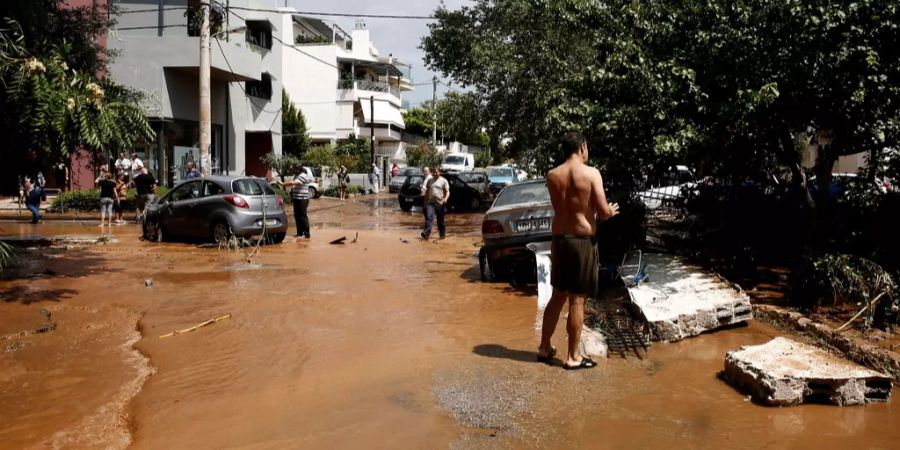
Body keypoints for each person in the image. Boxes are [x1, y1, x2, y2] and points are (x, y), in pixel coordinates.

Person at [538, 132, 619, 370]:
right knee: (577, 300)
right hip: (582, 241)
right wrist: (611, 211)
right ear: (582, 147)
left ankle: (544, 347)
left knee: (557, 295)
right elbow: (603, 212)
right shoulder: (591, 173)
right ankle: (573, 357)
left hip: (559, 240)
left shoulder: (552, 175)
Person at [421, 165, 449, 240]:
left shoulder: (444, 181)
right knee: (429, 217)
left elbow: (447, 192)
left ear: (439, 172)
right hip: (430, 203)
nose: (435, 173)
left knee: (440, 221)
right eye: (434, 172)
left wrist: (446, 198)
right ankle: (426, 233)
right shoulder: (430, 181)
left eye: (437, 172)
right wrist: (425, 202)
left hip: (440, 203)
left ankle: (442, 235)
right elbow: (427, 192)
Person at [284, 170, 313, 239]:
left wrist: (283, 184)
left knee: (303, 216)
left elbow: (294, 183)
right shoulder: (297, 176)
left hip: (302, 199)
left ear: (298, 169)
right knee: (297, 216)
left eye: (294, 169)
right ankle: (299, 233)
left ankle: (306, 234)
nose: (293, 171)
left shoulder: (302, 175)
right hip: (297, 198)